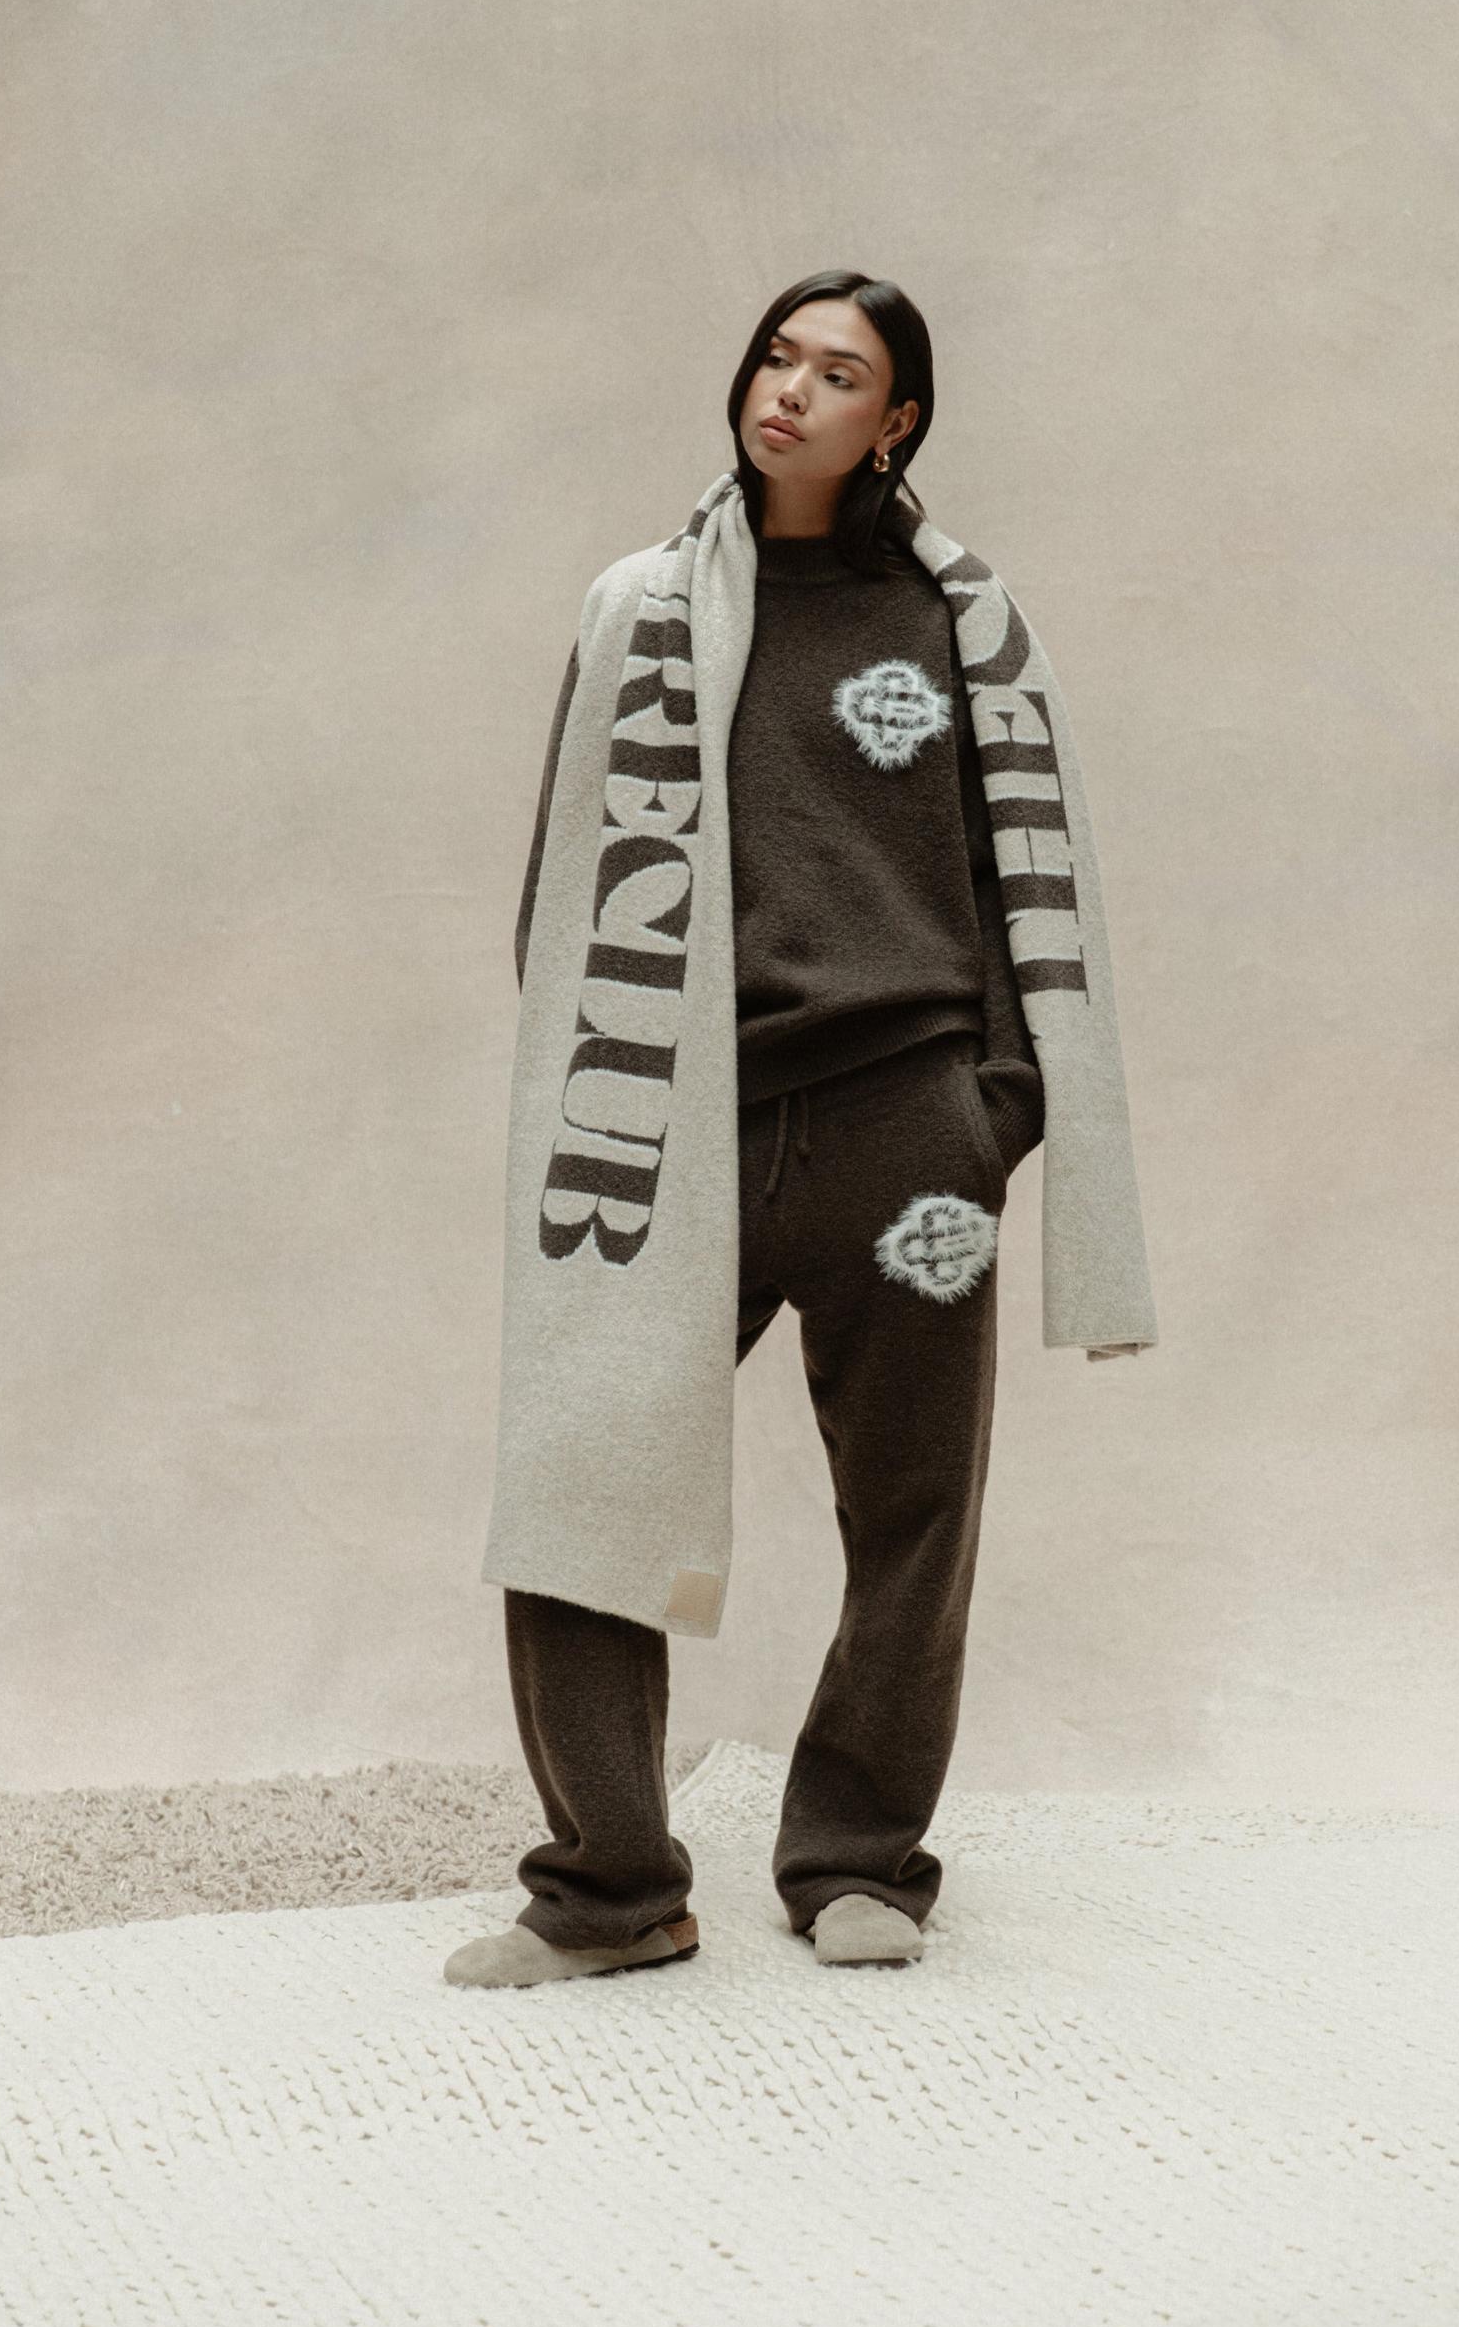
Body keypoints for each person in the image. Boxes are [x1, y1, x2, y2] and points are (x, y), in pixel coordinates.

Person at [446, 269, 1147, 1990]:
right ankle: (611, 1887)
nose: (791, 390)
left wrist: (992, 1110)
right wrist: (596, 1078)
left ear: (894, 422)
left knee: (914, 1513)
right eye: (779, 356)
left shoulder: (955, 622)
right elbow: (566, 884)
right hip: (668, 1122)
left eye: (839, 373)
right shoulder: (644, 607)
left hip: (910, 1133)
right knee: (582, 1483)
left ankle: (857, 1858)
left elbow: (1010, 877)